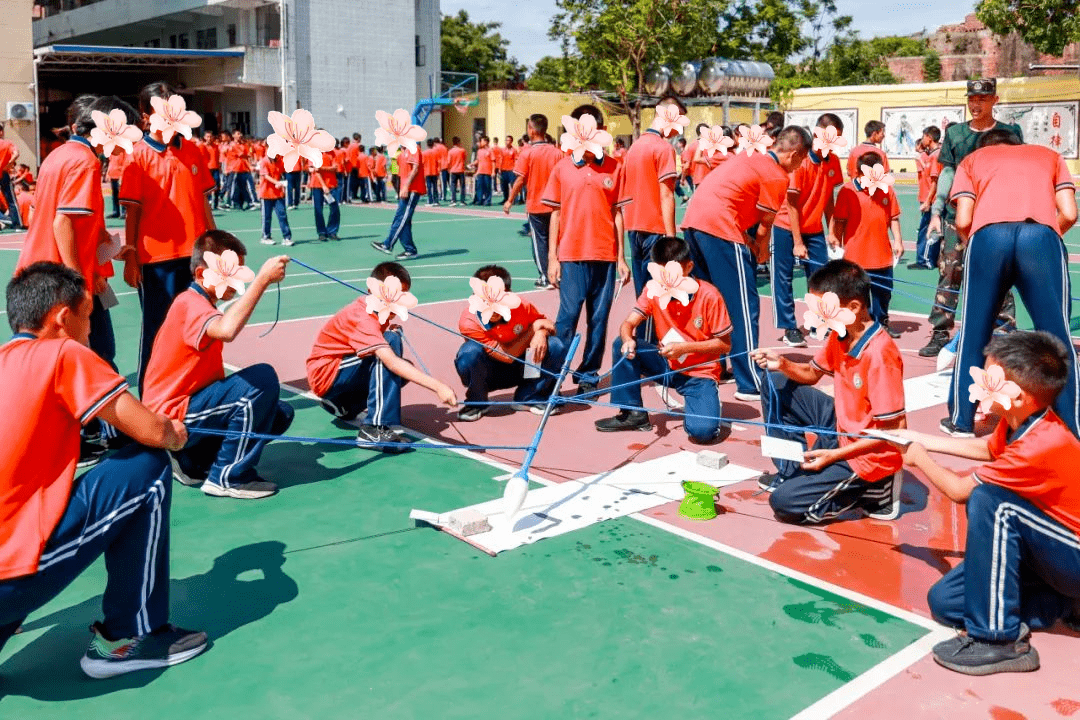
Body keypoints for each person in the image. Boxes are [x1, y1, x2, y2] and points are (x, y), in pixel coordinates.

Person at [0, 262, 205, 678]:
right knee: (146, 469)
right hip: (8, 578)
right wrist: (175, 433)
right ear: (62, 317)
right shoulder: (64, 351)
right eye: (88, 317)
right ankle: (132, 636)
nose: (91, 330)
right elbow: (151, 431)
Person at [893, 331, 1080, 675]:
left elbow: (961, 491)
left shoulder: (1042, 442)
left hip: (1072, 555)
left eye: (989, 381)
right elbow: (987, 450)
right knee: (946, 603)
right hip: (1052, 556)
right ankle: (1061, 603)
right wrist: (921, 439)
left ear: (1019, 396)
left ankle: (998, 641)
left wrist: (919, 459)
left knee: (992, 503)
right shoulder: (1016, 423)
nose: (979, 386)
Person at [944, 129, 1080, 437]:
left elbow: (963, 220)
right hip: (1040, 236)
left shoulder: (972, 160)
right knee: (1057, 333)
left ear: (985, 148)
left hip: (988, 238)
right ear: (1017, 144)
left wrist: (978, 247)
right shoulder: (1050, 156)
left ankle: (961, 421)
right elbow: (1070, 213)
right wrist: (1044, 240)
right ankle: (1071, 425)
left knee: (974, 332)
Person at [751, 260, 907, 523]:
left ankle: (878, 486)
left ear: (854, 308)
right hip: (841, 426)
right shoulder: (841, 333)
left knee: (784, 503)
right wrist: (783, 363)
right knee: (776, 381)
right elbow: (812, 374)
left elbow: (894, 433)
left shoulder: (880, 355)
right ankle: (792, 472)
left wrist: (833, 456)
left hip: (868, 453)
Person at [142, 230, 292, 499]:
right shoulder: (189, 303)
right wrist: (263, 280)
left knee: (278, 413)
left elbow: (224, 321)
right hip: (172, 412)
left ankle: (192, 459)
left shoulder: (201, 303)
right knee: (262, 380)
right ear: (202, 275)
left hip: (187, 406)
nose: (237, 282)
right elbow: (227, 329)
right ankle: (227, 476)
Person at [681, 126, 811, 402]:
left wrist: (752, 244)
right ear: (795, 154)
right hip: (720, 227)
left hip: (694, 222)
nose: (799, 167)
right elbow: (764, 227)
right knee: (742, 306)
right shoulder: (776, 175)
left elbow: (733, 199)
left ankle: (707, 367)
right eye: (802, 161)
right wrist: (761, 251)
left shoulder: (750, 156)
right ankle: (750, 380)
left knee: (708, 302)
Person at [921, 79, 1023, 405]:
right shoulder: (955, 134)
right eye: (971, 98)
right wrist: (937, 212)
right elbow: (947, 176)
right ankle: (940, 331)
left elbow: (1016, 172)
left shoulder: (1011, 132)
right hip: (957, 215)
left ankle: (1005, 331)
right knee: (949, 271)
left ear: (994, 99)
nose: (975, 104)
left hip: (997, 215)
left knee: (1002, 274)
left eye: (982, 98)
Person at [119, 83, 216, 390]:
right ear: (146, 117)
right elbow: (132, 213)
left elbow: (203, 201)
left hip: (196, 258)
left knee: (197, 326)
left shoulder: (192, 150)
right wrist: (130, 257)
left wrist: (215, 248)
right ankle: (150, 395)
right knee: (157, 332)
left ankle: (192, 390)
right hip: (156, 262)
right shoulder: (136, 156)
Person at [595, 236, 732, 443]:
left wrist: (685, 347)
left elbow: (725, 345)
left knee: (702, 433)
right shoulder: (653, 289)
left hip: (699, 374)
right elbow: (628, 324)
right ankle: (633, 414)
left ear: (689, 267)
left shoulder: (710, 295)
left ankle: (703, 410)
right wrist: (627, 339)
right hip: (665, 364)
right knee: (620, 345)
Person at [307, 261, 457, 448]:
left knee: (401, 362)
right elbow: (391, 362)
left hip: (339, 371)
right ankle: (374, 428)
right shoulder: (363, 317)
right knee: (392, 351)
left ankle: (345, 404)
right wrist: (438, 386)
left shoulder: (377, 313)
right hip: (327, 373)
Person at [543, 104, 631, 395]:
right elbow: (554, 214)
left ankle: (588, 374)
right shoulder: (562, 167)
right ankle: (551, 376)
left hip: (605, 256)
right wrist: (552, 258)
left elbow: (617, 213)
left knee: (598, 319)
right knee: (566, 319)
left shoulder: (615, 167)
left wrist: (621, 258)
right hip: (572, 256)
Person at [454, 265, 567, 421]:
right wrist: (534, 329)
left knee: (555, 345)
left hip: (523, 368)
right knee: (469, 353)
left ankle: (528, 396)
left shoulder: (521, 305)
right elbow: (506, 356)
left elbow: (547, 324)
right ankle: (477, 401)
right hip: (490, 373)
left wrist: (541, 332)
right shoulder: (469, 321)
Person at [772, 113, 845, 348]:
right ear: (817, 134)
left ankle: (819, 322)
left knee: (820, 276)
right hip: (786, 225)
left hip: (814, 228)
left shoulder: (833, 162)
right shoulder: (801, 161)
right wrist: (797, 241)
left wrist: (832, 230)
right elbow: (791, 204)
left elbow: (829, 198)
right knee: (783, 278)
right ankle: (789, 327)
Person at [829, 150, 904, 337]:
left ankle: (882, 322)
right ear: (859, 173)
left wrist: (898, 241)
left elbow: (894, 217)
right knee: (857, 295)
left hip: (882, 254)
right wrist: (835, 239)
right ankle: (860, 326)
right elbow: (839, 220)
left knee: (884, 293)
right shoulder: (847, 191)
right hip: (856, 256)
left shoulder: (887, 189)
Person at [621, 99, 680, 300]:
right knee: (660, 293)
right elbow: (666, 194)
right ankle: (652, 331)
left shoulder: (634, 148)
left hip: (634, 226)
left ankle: (643, 330)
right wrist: (671, 238)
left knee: (643, 291)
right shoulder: (664, 149)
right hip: (655, 228)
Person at [505, 114, 565, 289]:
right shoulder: (557, 152)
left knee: (540, 242)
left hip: (536, 205)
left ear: (531, 130)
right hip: (556, 205)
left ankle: (545, 277)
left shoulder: (528, 153)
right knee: (556, 240)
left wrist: (510, 200)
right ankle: (557, 273)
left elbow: (519, 180)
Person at [373, 146, 425, 260]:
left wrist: (406, 187)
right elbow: (399, 174)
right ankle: (410, 249)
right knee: (403, 220)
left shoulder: (413, 148)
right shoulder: (401, 153)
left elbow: (415, 168)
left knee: (401, 218)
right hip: (405, 189)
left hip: (413, 188)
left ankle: (388, 244)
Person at [911, 126, 942, 270]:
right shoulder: (932, 155)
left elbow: (935, 182)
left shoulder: (935, 156)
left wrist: (928, 201)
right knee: (925, 229)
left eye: (923, 136)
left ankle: (925, 260)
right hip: (926, 198)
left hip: (930, 200)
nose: (922, 139)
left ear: (929, 137)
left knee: (926, 230)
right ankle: (926, 258)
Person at [258, 151, 292, 247]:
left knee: (282, 215)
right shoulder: (264, 161)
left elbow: (283, 173)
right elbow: (265, 176)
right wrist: (276, 182)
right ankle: (266, 237)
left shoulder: (280, 160)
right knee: (266, 217)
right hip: (266, 194)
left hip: (278, 194)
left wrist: (282, 184)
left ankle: (287, 238)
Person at [308, 142, 340, 242]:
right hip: (318, 185)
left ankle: (332, 231)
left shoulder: (332, 153)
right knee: (318, 210)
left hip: (331, 184)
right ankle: (321, 232)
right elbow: (315, 171)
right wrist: (323, 185)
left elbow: (335, 167)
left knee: (335, 208)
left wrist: (321, 168)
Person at [224, 128, 253, 211]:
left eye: (240, 134)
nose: (240, 135)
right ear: (233, 135)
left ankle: (242, 202)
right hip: (234, 168)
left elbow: (248, 154)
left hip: (242, 168)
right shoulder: (232, 145)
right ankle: (230, 202)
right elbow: (242, 154)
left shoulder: (243, 144)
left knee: (243, 186)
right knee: (233, 186)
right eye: (238, 134)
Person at [0, 123, 22, 229]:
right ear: (1, 132)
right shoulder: (7, 143)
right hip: (3, 173)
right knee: (11, 200)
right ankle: (17, 224)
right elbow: (16, 153)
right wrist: (9, 163)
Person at [470, 136, 494, 206]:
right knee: (479, 187)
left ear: (486, 142)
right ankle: (479, 200)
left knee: (487, 187)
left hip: (487, 172)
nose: (480, 143)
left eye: (482, 141)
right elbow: (478, 161)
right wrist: (473, 164)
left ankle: (488, 201)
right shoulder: (479, 151)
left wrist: (493, 171)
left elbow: (493, 161)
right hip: (480, 172)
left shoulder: (490, 150)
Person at [448, 137, 467, 206]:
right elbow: (464, 159)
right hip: (461, 170)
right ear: (459, 142)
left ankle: (453, 200)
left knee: (453, 186)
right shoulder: (462, 150)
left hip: (453, 170)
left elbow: (449, 161)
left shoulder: (450, 151)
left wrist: (449, 169)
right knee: (462, 186)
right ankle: (462, 201)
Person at [422, 138, 441, 206]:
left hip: (427, 172)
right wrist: (438, 171)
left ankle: (430, 201)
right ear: (433, 144)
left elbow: (422, 163)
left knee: (429, 187)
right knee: (435, 186)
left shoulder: (424, 153)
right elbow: (439, 162)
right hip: (435, 172)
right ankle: (436, 201)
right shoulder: (436, 152)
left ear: (427, 145)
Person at [499, 136, 517, 204]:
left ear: (511, 142)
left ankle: (515, 199)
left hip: (511, 170)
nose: (507, 142)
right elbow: (500, 159)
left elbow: (516, 160)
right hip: (504, 170)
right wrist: (500, 169)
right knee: (504, 186)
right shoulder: (502, 150)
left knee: (513, 185)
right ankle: (505, 198)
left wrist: (515, 169)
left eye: (508, 140)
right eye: (506, 140)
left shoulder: (514, 150)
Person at [346, 133, 362, 201]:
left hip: (350, 165)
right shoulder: (357, 146)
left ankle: (351, 194)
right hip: (355, 165)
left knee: (352, 181)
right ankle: (354, 194)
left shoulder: (350, 146)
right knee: (356, 181)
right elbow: (359, 156)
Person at [434, 137, 450, 202]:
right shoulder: (444, 147)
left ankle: (443, 196)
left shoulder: (436, 148)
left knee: (442, 183)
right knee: (446, 182)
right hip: (446, 166)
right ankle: (444, 195)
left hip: (441, 166)